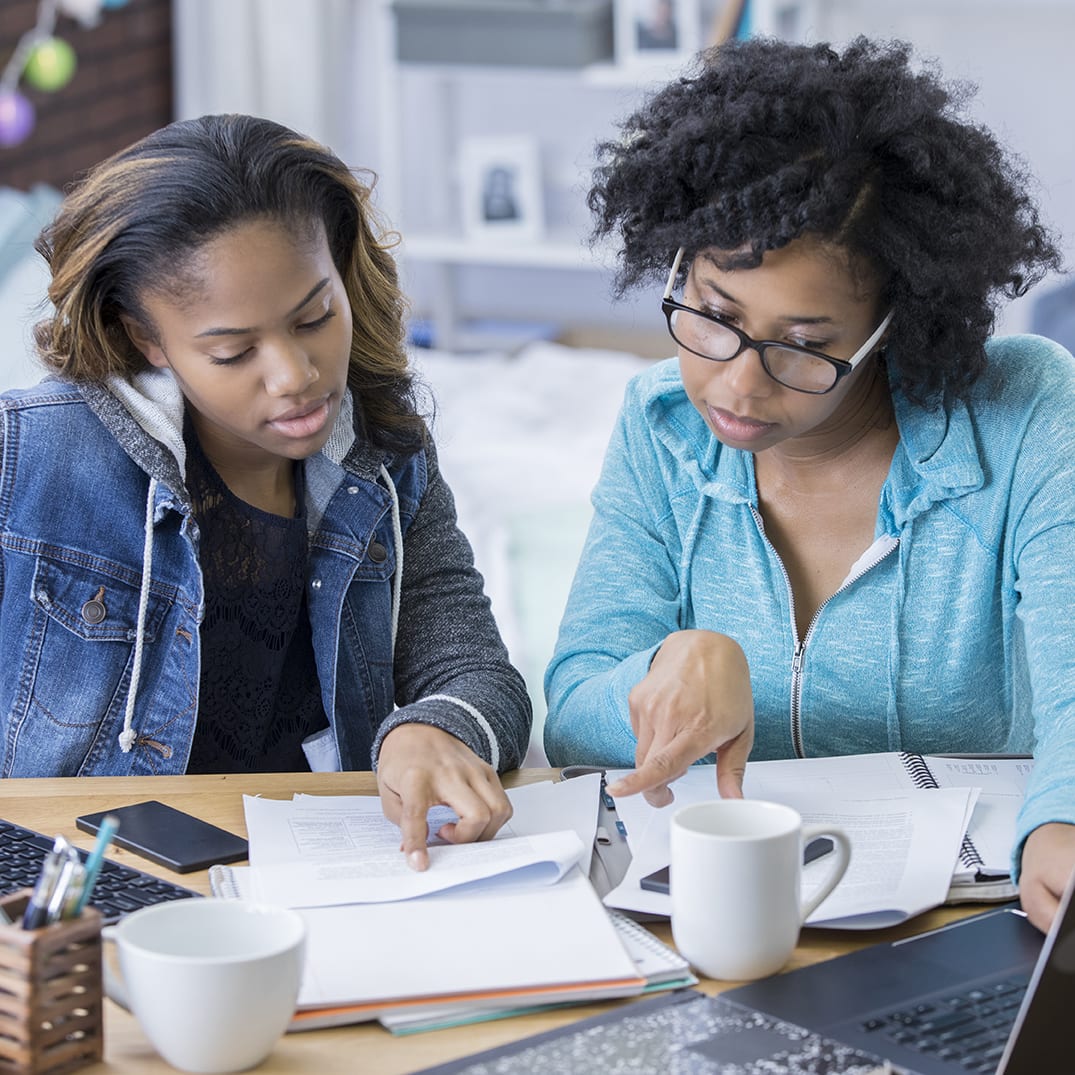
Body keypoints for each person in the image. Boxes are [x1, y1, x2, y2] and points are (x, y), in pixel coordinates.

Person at [544, 36, 1075, 931]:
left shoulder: (1023, 408)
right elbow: (571, 711)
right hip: (726, 915)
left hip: (971, 915)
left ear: (893, 324)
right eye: (712, 317)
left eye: (800, 344)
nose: (736, 386)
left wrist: (1060, 818)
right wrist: (663, 671)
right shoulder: (659, 423)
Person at [0, 113, 532, 870]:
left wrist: (437, 727)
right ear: (146, 339)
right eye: (232, 350)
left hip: (327, 878)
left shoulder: (385, 460)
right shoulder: (30, 456)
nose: (294, 376)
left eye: (314, 316)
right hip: (88, 888)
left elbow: (476, 670)